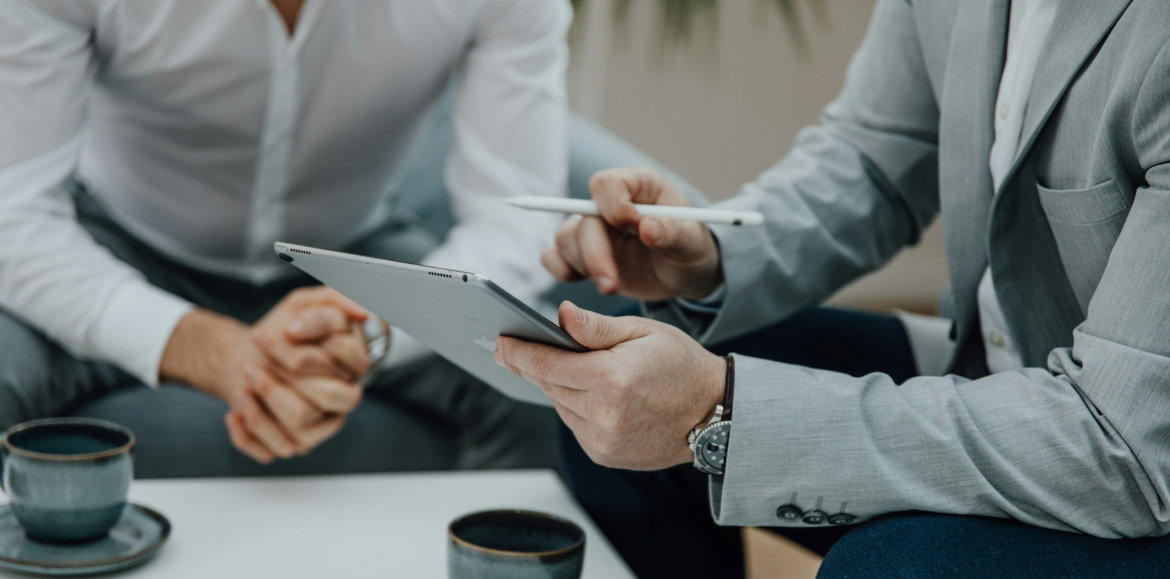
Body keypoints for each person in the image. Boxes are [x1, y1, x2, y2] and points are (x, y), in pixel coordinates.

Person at [494, 0, 1170, 576]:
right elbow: (875, 157)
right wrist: (710, 256)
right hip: (995, 372)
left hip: (1129, 457)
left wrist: (721, 410)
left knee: (891, 565)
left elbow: (1124, 441)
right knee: (620, 363)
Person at [0, 0, 570, 468]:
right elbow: (12, 212)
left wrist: (369, 332)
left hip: (355, 257)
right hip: (120, 239)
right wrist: (205, 348)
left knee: (530, 373)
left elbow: (518, 218)